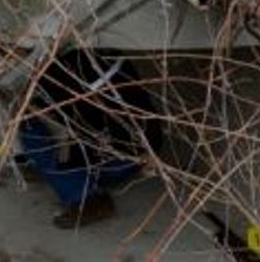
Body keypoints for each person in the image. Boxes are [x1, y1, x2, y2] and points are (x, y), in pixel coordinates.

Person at [17, 48, 163, 228]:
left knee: (30, 124)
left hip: (113, 161)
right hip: (139, 152)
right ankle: (56, 172)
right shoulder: (101, 53)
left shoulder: (60, 74)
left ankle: (85, 198)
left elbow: (61, 124)